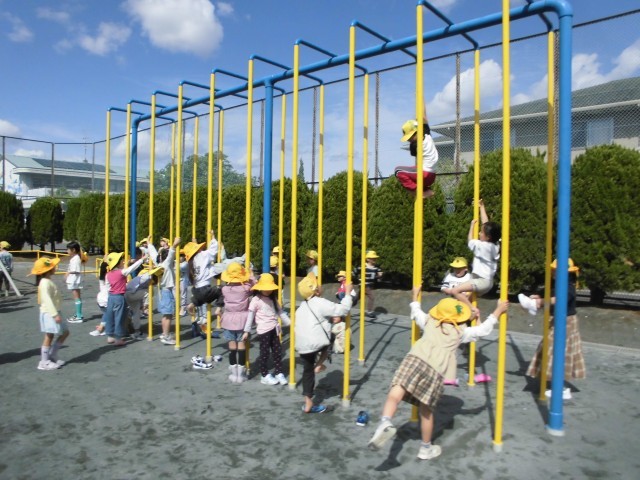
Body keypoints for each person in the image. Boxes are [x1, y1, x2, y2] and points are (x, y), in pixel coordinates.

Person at [368, 287, 508, 459]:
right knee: (426, 412)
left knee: (395, 393)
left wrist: (415, 295)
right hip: (435, 370)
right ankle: (425, 448)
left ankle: (385, 421)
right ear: (460, 319)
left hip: (414, 359)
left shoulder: (429, 321)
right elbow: (483, 330)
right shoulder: (460, 332)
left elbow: (416, 311)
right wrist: (498, 311)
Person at [521, 258, 586, 400]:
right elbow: (552, 296)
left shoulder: (568, 287)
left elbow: (558, 299)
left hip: (565, 323)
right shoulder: (559, 284)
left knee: (559, 352)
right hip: (558, 320)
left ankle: (561, 388)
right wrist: (539, 297)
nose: (552, 272)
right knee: (550, 349)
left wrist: (539, 302)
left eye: (555, 270)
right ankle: (556, 384)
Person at [295, 273, 353, 413]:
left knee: (307, 372)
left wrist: (329, 319)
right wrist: (348, 293)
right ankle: (319, 363)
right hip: (317, 342)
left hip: (302, 344)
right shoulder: (320, 302)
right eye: (318, 285)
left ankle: (308, 402)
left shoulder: (301, 306)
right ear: (316, 290)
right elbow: (343, 309)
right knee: (330, 340)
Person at [442, 199, 500, 318]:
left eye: (481, 233)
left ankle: (473, 310)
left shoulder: (482, 246)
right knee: (464, 300)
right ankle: (466, 317)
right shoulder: (495, 245)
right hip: (487, 282)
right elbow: (486, 224)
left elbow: (470, 241)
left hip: (481, 281)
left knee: (455, 291)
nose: (479, 234)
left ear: (488, 237)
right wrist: (481, 207)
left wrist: (472, 226)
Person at [244, 273, 290, 386]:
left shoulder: (273, 298)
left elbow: (280, 312)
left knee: (277, 352)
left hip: (274, 328)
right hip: (264, 330)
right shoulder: (256, 300)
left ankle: (278, 372)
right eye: (266, 288)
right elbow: (250, 315)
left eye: (270, 288)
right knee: (264, 353)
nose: (268, 291)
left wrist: (290, 323)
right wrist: (247, 330)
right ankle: (264, 375)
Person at [31, 257, 70, 370]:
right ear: (47, 270)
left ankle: (52, 355)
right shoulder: (44, 283)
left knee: (65, 332)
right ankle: (44, 361)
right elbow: (47, 300)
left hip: (55, 311)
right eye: (52, 266)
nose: (55, 267)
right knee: (49, 335)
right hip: (49, 313)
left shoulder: (47, 281)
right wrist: (54, 314)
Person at [221, 262, 256, 383]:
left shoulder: (225, 289)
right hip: (242, 319)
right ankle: (240, 375)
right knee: (242, 346)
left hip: (228, 319)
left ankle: (233, 374)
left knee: (232, 347)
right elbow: (255, 285)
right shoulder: (245, 288)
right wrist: (250, 275)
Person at [394, 104, 439, 198]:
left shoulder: (416, 144)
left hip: (424, 174)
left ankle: (420, 192)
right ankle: (427, 191)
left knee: (398, 171)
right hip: (431, 175)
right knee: (413, 169)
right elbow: (423, 116)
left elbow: (421, 118)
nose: (409, 140)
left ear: (416, 132)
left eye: (410, 137)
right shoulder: (427, 135)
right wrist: (422, 100)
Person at [104, 251, 146, 346]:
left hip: (111, 297)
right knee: (119, 317)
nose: (123, 261)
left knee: (110, 316)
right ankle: (118, 338)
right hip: (119, 297)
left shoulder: (108, 274)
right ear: (118, 262)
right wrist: (141, 260)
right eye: (121, 260)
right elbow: (132, 268)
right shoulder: (121, 272)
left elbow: (107, 287)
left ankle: (110, 336)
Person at [184, 232, 223, 316]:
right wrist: (213, 237)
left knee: (203, 299)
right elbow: (213, 251)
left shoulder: (190, 262)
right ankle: (219, 308)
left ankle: (192, 304)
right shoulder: (202, 255)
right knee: (222, 290)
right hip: (205, 288)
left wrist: (195, 244)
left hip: (196, 290)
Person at [155, 237, 181, 345]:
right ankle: (166, 336)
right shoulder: (166, 264)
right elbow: (171, 255)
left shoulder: (159, 265)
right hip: (166, 291)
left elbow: (155, 253)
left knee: (165, 315)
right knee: (169, 315)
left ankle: (164, 334)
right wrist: (174, 245)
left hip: (162, 291)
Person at [124, 265, 162, 339]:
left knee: (136, 313)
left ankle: (136, 331)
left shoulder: (146, 277)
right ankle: (133, 329)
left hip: (131, 293)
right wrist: (145, 304)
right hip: (130, 293)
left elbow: (139, 287)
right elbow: (139, 288)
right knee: (147, 292)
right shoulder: (146, 277)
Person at [353, 250, 383, 318]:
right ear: (368, 259)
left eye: (375, 258)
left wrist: (380, 276)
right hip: (364, 285)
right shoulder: (363, 266)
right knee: (372, 297)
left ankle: (348, 305)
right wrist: (357, 278)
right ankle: (369, 312)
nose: (374, 260)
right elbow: (355, 271)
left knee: (357, 298)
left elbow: (377, 277)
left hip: (370, 285)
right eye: (373, 258)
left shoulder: (376, 268)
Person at [65, 241, 85, 323]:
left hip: (74, 280)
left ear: (73, 250)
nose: (67, 251)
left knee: (76, 297)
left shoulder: (76, 259)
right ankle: (78, 314)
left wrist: (68, 273)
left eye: (68, 249)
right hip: (75, 280)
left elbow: (76, 270)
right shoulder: (75, 258)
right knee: (77, 297)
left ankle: (79, 316)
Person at [90, 257, 109, 337]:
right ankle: (101, 329)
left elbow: (102, 269)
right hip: (106, 300)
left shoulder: (102, 279)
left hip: (100, 299)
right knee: (109, 314)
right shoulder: (110, 277)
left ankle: (104, 328)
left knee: (107, 314)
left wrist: (104, 261)